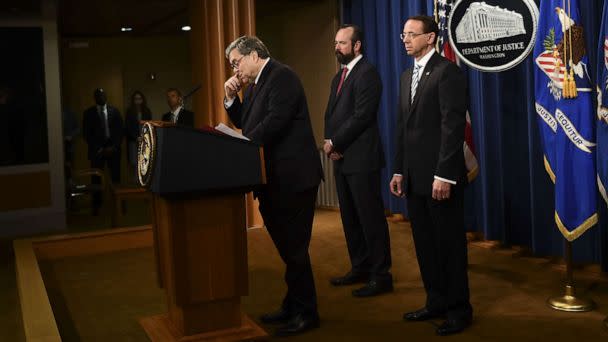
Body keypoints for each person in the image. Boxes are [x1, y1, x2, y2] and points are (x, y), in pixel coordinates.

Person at [223, 35, 322, 337]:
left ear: (254, 55)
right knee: (288, 249)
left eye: (236, 63)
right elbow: (247, 122)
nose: (235, 70)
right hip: (273, 180)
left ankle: (307, 313)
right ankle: (292, 304)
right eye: (232, 66)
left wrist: (243, 145)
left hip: (293, 179)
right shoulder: (253, 86)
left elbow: (275, 122)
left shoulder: (282, 76)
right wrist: (231, 99)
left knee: (294, 250)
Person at [390, 15, 472, 336]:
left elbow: (452, 128)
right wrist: (399, 169)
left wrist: (445, 174)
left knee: (449, 246)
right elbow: (403, 128)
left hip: (441, 179)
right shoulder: (406, 75)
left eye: (412, 34)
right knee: (424, 244)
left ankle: (459, 310)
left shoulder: (447, 72)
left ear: (431, 37)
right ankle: (435, 300)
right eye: (403, 35)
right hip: (413, 176)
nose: (406, 39)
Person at [324, 24, 392, 297]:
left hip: (362, 159)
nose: (337, 47)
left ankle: (381, 275)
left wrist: (335, 142)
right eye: (336, 42)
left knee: (370, 219)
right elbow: (331, 115)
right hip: (341, 158)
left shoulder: (368, 74)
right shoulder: (338, 76)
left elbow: (362, 117)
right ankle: (360, 267)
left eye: (342, 43)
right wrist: (331, 144)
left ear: (357, 45)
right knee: (350, 218)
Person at [82, 88, 123, 215]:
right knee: (96, 180)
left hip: (113, 150)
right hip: (97, 151)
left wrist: (114, 147)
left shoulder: (114, 111)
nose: (101, 97)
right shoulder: (88, 113)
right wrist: (99, 148)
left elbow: (120, 131)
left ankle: (119, 205)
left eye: (103, 94)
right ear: (95, 98)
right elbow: (86, 134)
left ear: (106, 96)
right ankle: (96, 206)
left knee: (116, 179)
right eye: (98, 95)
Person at [125, 90, 152, 181]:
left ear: (142, 100)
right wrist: (136, 137)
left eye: (139, 98)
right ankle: (134, 182)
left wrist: (144, 137)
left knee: (144, 161)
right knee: (134, 162)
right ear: (133, 100)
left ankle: (142, 182)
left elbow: (150, 125)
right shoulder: (129, 112)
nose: (138, 101)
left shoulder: (147, 111)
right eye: (136, 99)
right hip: (133, 140)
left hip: (145, 140)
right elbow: (127, 127)